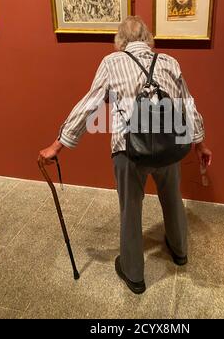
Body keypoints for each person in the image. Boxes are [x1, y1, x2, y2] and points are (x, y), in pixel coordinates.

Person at [38, 15, 212, 294]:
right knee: (172, 197)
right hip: (169, 147)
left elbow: (90, 104)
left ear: (119, 42)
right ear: (148, 39)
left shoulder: (111, 62)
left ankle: (134, 274)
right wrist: (200, 144)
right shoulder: (169, 61)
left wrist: (58, 144)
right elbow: (188, 105)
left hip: (129, 150)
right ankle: (180, 251)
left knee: (130, 208)